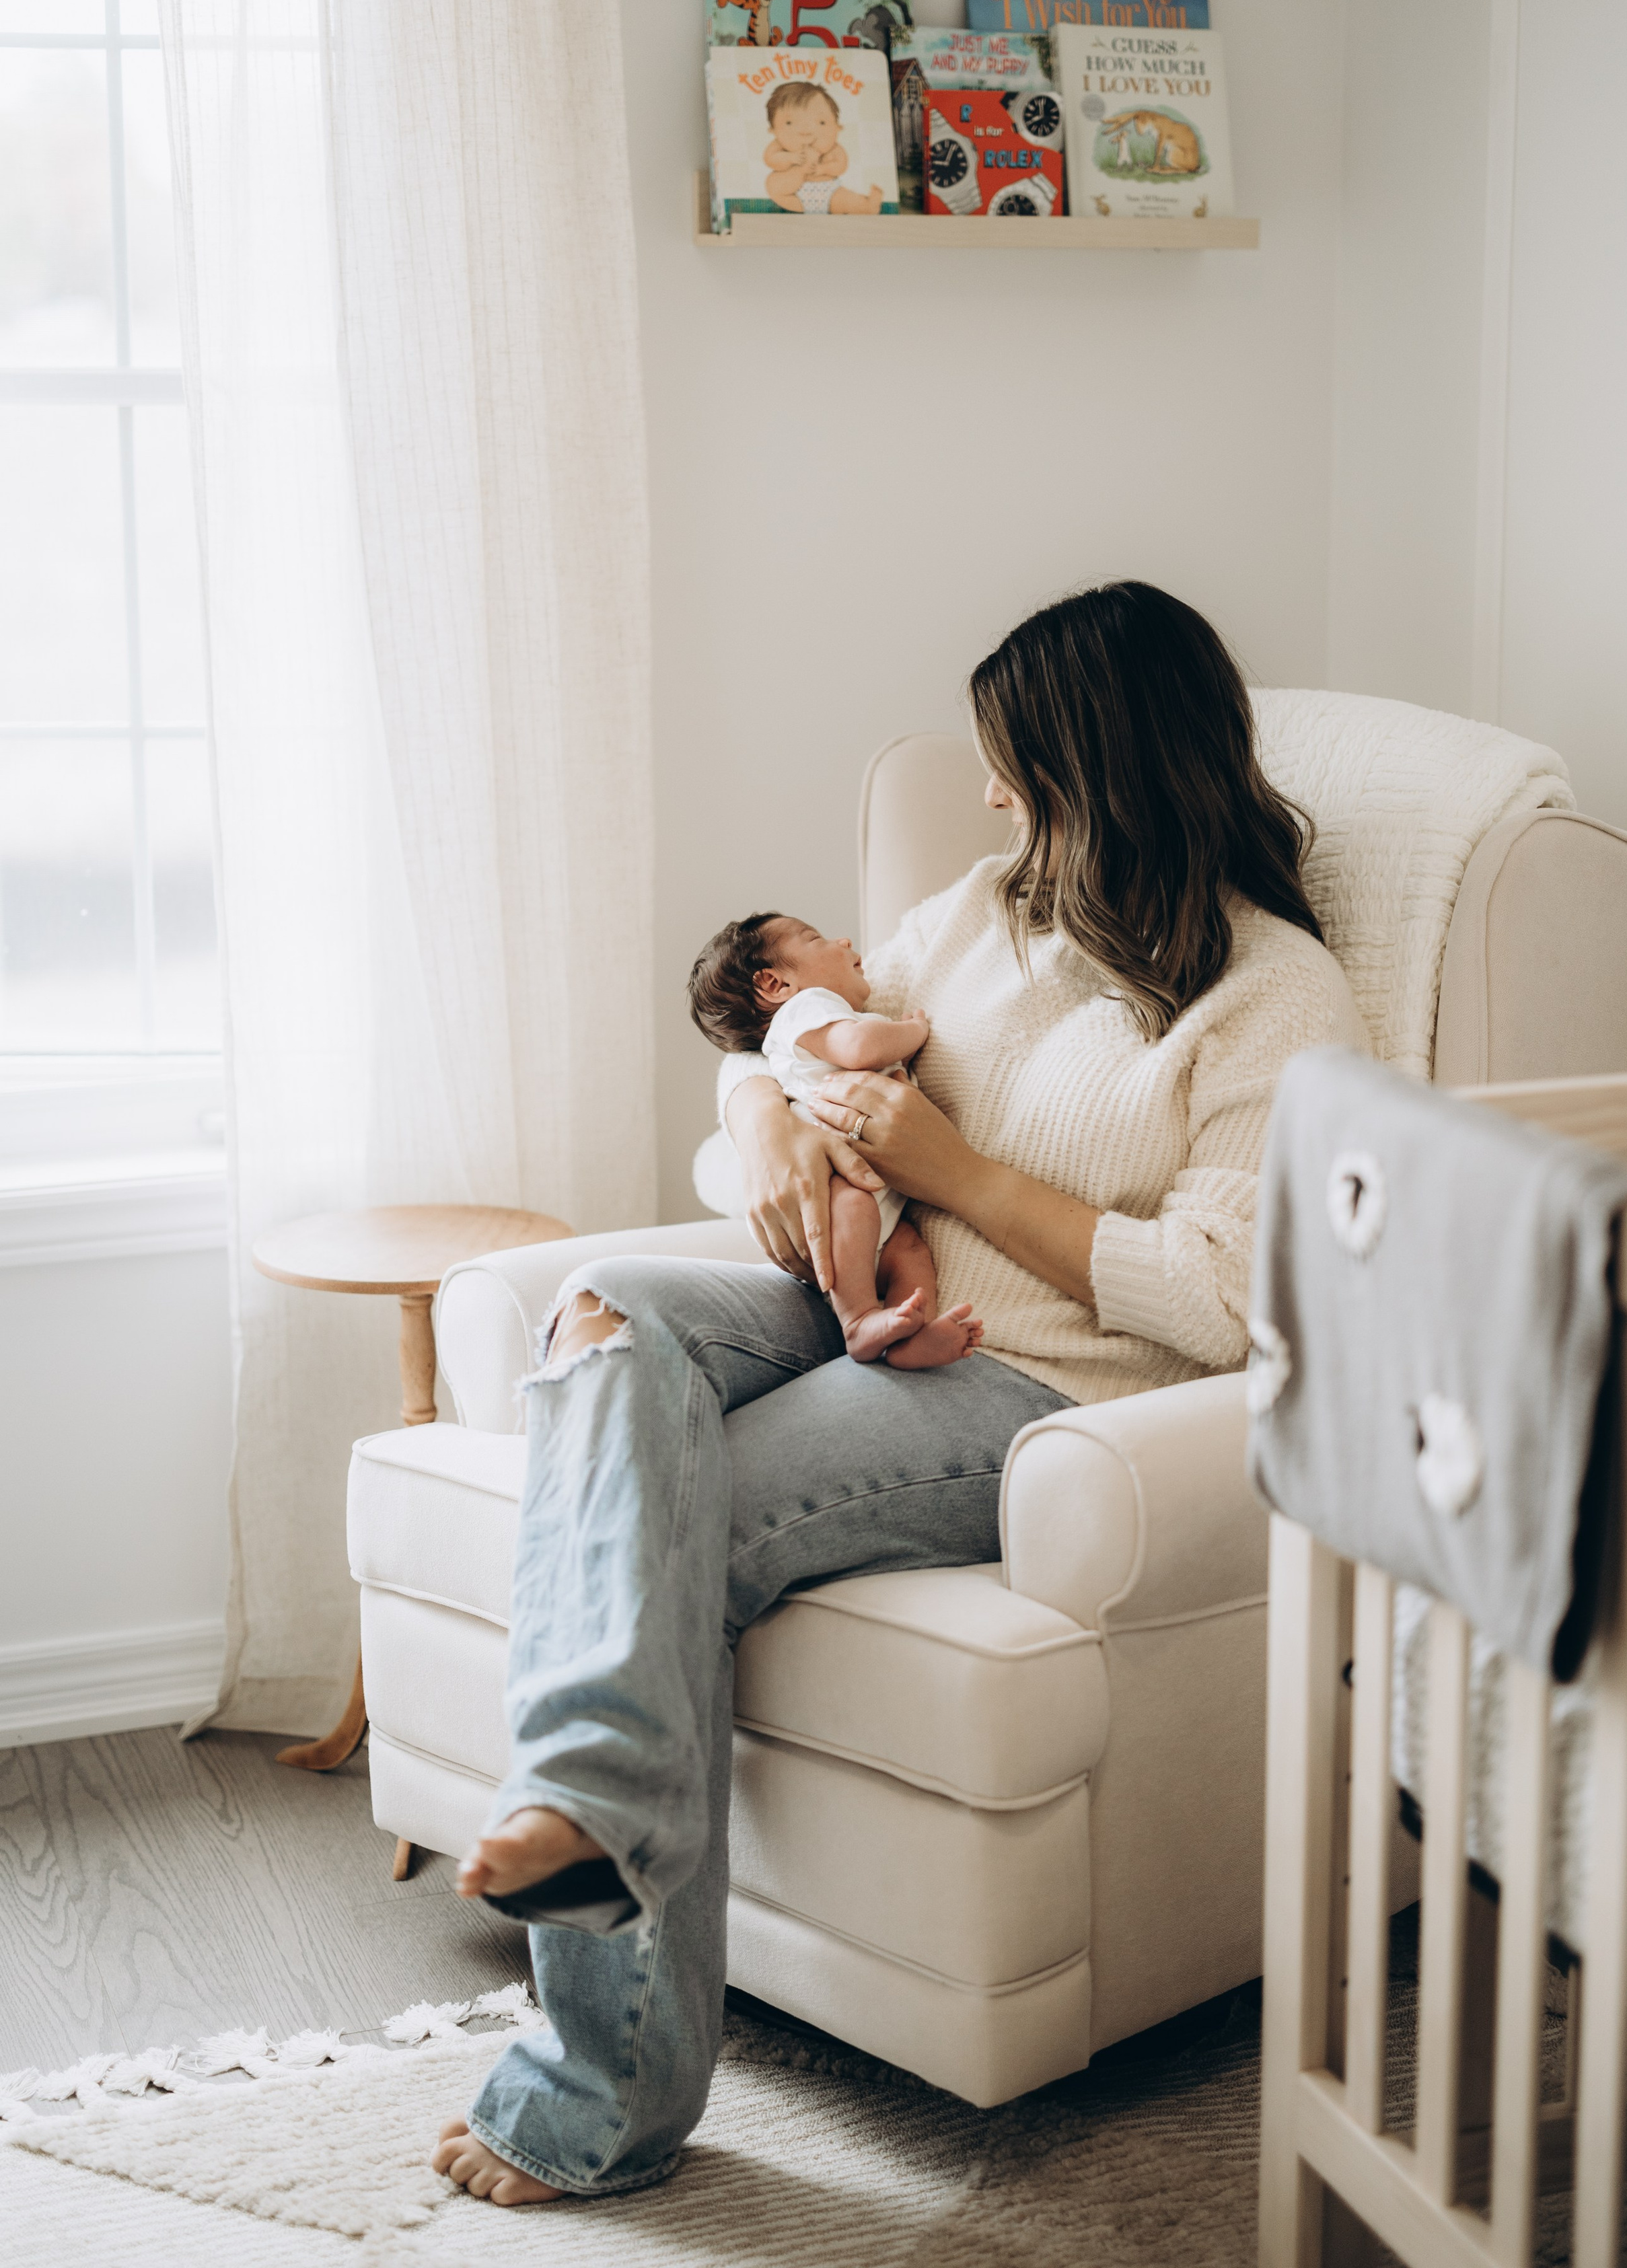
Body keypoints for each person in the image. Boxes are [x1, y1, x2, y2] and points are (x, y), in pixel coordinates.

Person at [432, 579, 1368, 2207]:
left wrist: (960, 1175)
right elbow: (787, 1053)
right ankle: (594, 1790)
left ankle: (602, 2085)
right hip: (841, 1299)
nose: (991, 798)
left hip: (1033, 1381)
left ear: (1095, 766)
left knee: (652, 1518)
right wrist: (760, 1119)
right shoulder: (980, 914)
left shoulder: (1272, 994)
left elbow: (1223, 1301)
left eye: (1013, 763)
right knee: (600, 1316)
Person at [687, 909, 983, 1367]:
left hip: (874, 1207)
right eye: (815, 938)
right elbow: (861, 1048)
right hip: (836, 1189)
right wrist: (913, 1031)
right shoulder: (805, 1011)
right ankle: (858, 1320)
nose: (844, 942)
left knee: (910, 1252)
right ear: (775, 984)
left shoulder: (824, 1020)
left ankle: (909, 1337)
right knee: (857, 1208)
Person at [760, 81, 884, 217]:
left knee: (844, 200)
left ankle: (867, 206)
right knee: (774, 184)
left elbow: (840, 166)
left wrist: (823, 169)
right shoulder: (778, 146)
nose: (806, 132)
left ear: (837, 128)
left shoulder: (834, 149)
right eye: (789, 123)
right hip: (793, 196)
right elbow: (771, 160)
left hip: (829, 192)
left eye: (821, 123)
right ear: (773, 130)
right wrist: (790, 158)